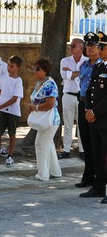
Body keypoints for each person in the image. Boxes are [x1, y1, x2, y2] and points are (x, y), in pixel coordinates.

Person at [79, 31, 107, 204]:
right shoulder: (98, 67)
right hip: (95, 120)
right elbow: (89, 90)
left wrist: (94, 112)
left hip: (104, 119)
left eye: (102, 46)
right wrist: (88, 110)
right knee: (97, 154)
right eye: (99, 46)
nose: (99, 49)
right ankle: (98, 186)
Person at [27, 58, 62, 181]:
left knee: (41, 144)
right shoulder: (40, 83)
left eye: (38, 69)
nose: (35, 71)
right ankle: (55, 172)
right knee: (48, 144)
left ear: (45, 70)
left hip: (50, 120)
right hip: (46, 120)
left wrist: (35, 107)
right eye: (35, 69)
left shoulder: (50, 84)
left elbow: (50, 104)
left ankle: (43, 175)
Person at [75, 32, 102, 188]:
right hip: (83, 103)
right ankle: (88, 175)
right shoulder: (83, 65)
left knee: (95, 143)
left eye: (92, 45)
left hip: (94, 107)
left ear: (98, 47)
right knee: (85, 140)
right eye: (88, 45)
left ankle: (98, 177)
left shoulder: (101, 66)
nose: (90, 48)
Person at [58, 38, 88, 159]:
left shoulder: (87, 61)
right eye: (70, 46)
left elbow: (86, 76)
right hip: (68, 95)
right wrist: (80, 72)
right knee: (68, 124)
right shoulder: (64, 61)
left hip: (82, 97)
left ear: (81, 48)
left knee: (82, 125)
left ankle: (82, 150)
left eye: (73, 46)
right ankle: (66, 149)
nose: (70, 48)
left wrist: (73, 73)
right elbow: (65, 75)